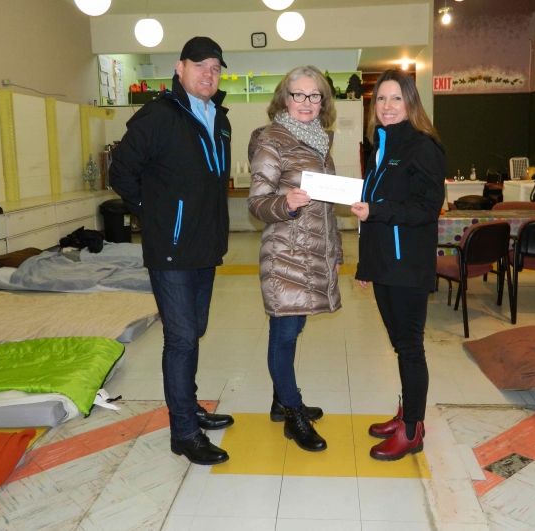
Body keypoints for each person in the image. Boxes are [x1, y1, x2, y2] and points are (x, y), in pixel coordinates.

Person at [109, 37, 234, 466]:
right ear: (180, 68)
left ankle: (189, 405)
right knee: (180, 338)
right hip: (172, 248)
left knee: (193, 331)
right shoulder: (159, 116)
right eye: (200, 65)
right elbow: (121, 172)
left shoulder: (220, 117)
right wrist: (154, 215)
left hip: (206, 246)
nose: (208, 74)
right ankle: (183, 431)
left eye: (216, 68)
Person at [350, 69, 446, 461]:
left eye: (395, 99)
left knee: (409, 347)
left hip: (408, 266)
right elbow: (369, 212)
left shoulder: (423, 147)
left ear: (410, 103)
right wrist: (364, 266)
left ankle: (412, 430)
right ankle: (407, 413)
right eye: (382, 100)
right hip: (385, 264)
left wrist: (377, 209)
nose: (387, 107)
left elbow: (426, 208)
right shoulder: (379, 147)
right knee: (399, 344)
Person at [248, 65, 343, 452]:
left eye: (314, 95)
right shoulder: (273, 141)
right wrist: (283, 203)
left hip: (315, 251)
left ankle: (279, 399)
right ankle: (292, 412)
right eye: (298, 95)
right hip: (286, 253)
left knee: (294, 329)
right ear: (285, 99)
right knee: (284, 333)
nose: (307, 102)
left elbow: (327, 209)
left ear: (323, 101)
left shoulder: (320, 141)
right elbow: (256, 203)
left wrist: (336, 250)